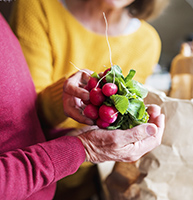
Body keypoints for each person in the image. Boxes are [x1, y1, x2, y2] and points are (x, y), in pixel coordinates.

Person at [9, 0, 169, 198]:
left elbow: (115, 123)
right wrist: (65, 96)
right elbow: (22, 117)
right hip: (26, 175)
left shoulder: (147, 41)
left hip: (89, 180)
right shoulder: (38, 6)